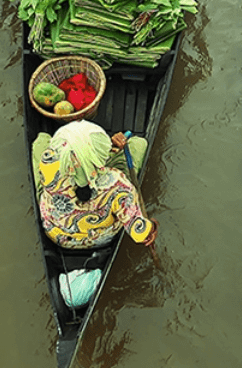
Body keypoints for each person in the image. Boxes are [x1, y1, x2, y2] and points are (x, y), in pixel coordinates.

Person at [32, 120, 158, 307]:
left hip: (59, 236)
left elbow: (72, 165)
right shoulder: (117, 183)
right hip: (102, 238)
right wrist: (153, 225)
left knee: (41, 141)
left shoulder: (48, 165)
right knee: (139, 144)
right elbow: (141, 234)